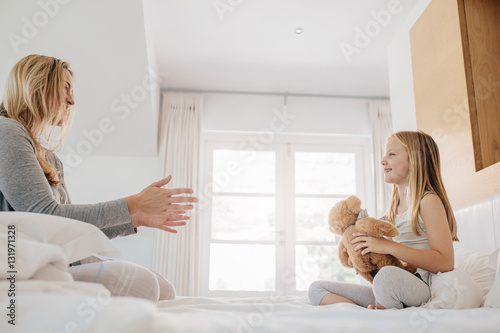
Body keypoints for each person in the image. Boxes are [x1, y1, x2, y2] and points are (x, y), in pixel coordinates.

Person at [0, 54, 198, 302]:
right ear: (38, 86)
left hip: (61, 258)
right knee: (144, 284)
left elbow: (72, 233)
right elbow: (45, 216)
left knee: (165, 288)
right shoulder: (6, 131)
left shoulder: (51, 159)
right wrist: (133, 203)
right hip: (25, 263)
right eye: (65, 88)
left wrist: (135, 218)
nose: (72, 100)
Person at [308, 131, 458, 309]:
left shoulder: (428, 201)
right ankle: (373, 316)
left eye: (391, 154)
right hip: (392, 282)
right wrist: (359, 254)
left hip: (421, 285)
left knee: (386, 276)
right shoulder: (394, 208)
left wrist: (388, 247)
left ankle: (379, 312)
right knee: (316, 289)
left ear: (415, 159)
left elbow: (445, 262)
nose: (382, 161)